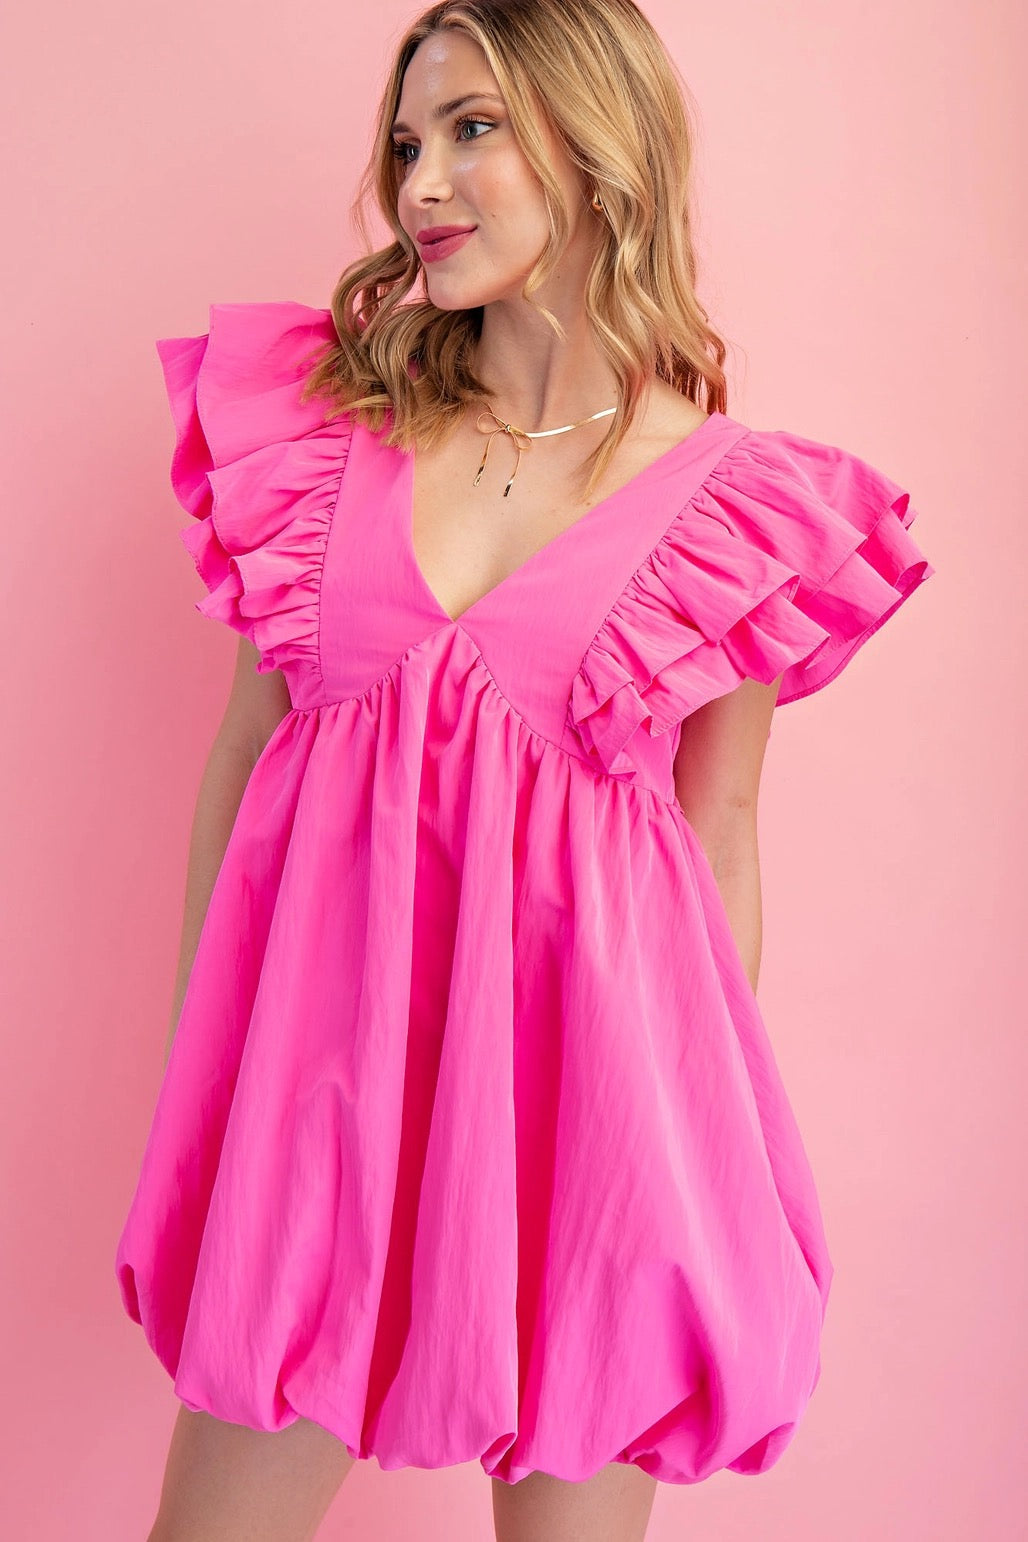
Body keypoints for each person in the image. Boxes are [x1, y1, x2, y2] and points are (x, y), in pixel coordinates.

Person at [115, 2, 935, 1539]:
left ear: (597, 139)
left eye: (472, 128)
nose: (420, 183)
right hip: (316, 1119)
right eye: (407, 143)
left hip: (590, 1140)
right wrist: (203, 1079)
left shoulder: (734, 510)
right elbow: (243, 753)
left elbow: (720, 840)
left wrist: (693, 1163)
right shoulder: (322, 435)